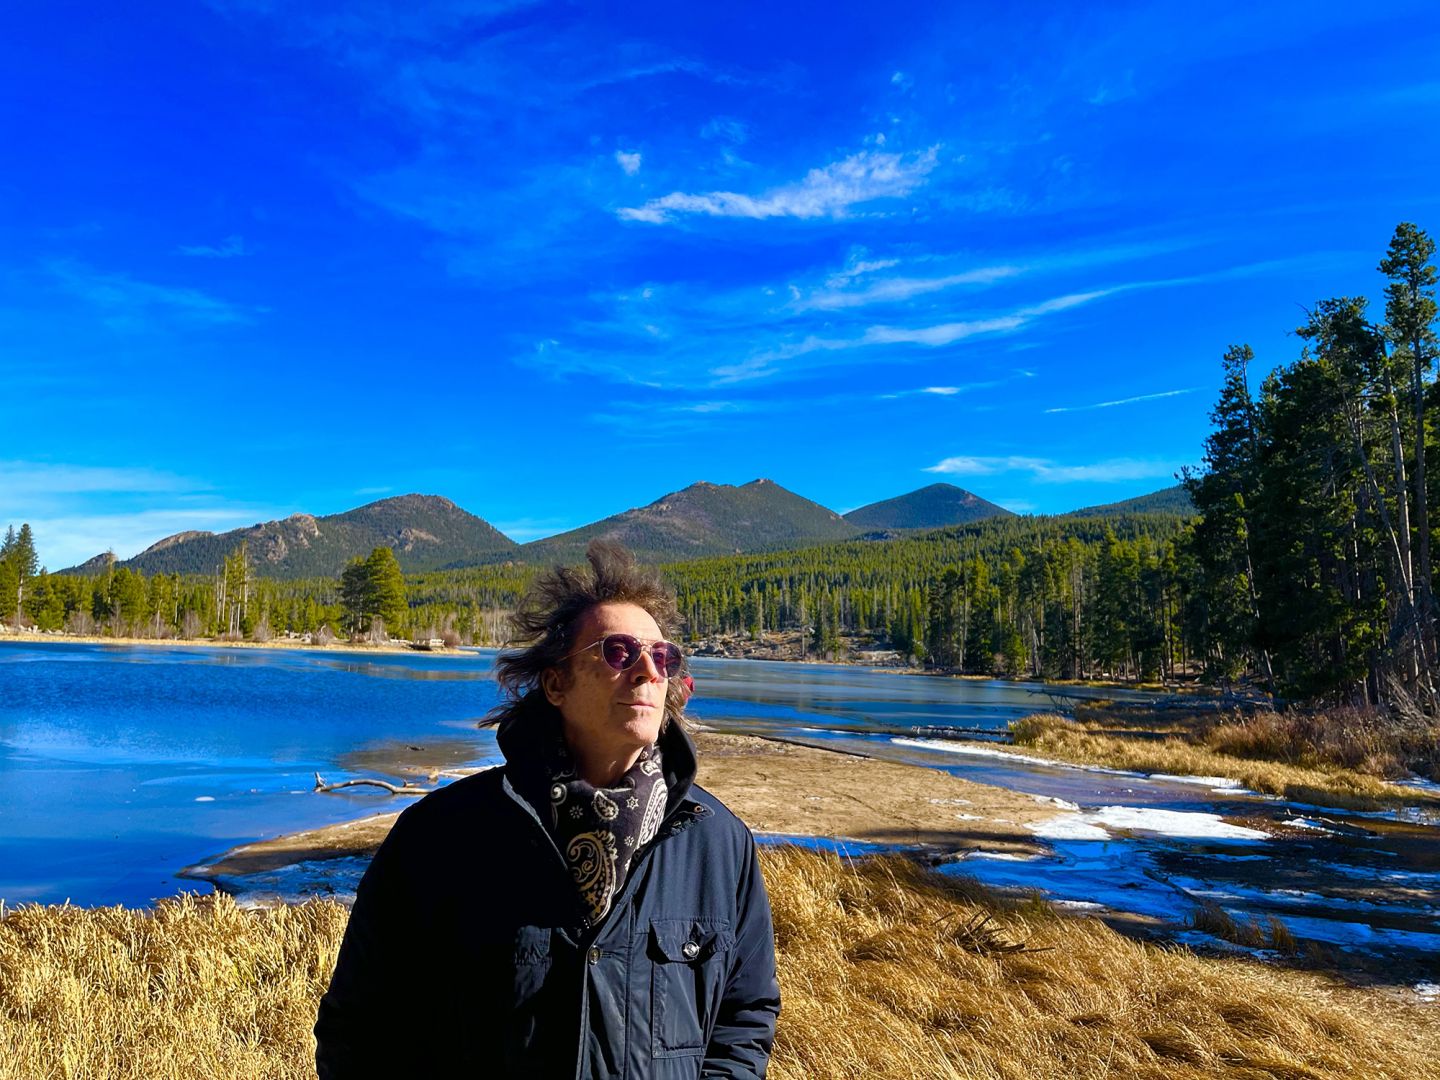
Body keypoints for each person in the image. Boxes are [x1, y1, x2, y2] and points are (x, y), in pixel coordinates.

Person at [315, 540, 780, 1078]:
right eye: (619, 652)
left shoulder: (717, 844)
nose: (648, 671)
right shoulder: (440, 835)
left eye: (663, 657)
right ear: (556, 683)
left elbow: (744, 1018)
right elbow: (362, 1027)